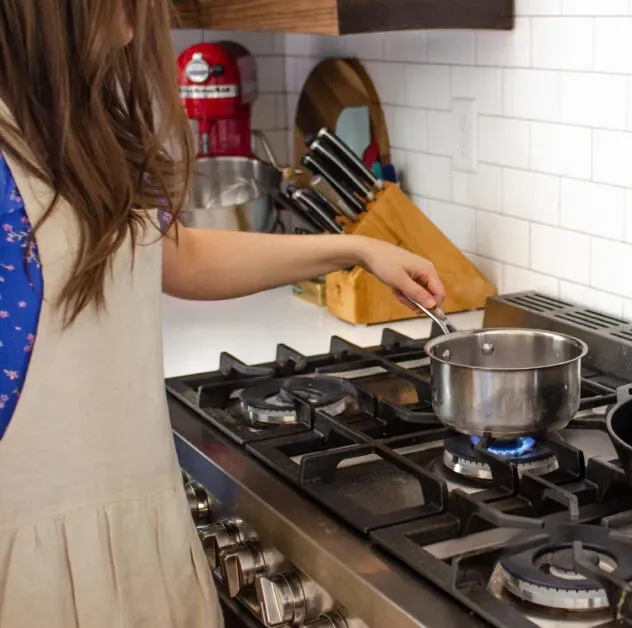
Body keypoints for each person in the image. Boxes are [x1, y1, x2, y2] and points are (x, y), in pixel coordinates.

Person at [0, 1, 445, 626]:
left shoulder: (69, 128)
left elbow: (173, 256)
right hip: (37, 567)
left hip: (137, 529)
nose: (138, 21)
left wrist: (357, 248)